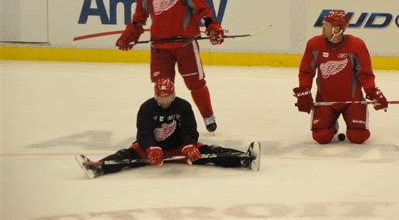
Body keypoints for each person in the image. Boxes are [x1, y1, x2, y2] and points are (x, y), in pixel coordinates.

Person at [115, 0, 225, 133]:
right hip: (160, 48)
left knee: (196, 84)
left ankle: (208, 116)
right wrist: (130, 34)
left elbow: (202, 9)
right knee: (163, 88)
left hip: (185, 45)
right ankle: (166, 124)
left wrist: (212, 27)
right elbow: (140, 16)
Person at [76, 78, 261, 179]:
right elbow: (143, 132)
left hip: (179, 146)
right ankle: (99, 167)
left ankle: (244, 159)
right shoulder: (147, 107)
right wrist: (151, 147)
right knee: (125, 156)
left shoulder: (183, 106)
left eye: (168, 97)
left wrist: (189, 145)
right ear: (155, 95)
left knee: (210, 153)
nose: (164, 101)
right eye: (161, 98)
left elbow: (190, 129)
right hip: (151, 148)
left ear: (173, 94)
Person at [292, 10, 388, 145]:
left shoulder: (356, 45)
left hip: (352, 101)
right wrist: (304, 90)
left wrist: (372, 92)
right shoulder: (314, 44)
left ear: (337, 29)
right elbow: (306, 71)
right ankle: (332, 124)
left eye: (326, 25)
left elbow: (365, 74)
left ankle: (348, 120)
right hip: (325, 100)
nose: (323, 27)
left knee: (358, 137)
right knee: (321, 137)